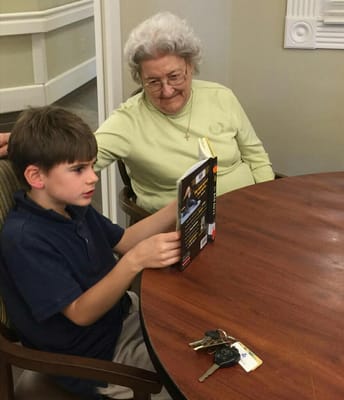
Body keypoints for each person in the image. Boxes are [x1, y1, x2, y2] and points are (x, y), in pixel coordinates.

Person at [0, 106, 180, 399]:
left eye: (92, 166)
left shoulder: (73, 206)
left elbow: (125, 240)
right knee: (186, 384)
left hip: (123, 316)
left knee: (196, 341)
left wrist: (176, 205)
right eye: (78, 169)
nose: (93, 177)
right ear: (36, 176)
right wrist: (134, 262)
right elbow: (80, 313)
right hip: (94, 357)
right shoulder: (24, 239)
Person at [94, 11, 275, 213]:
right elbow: (74, 162)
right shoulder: (128, 120)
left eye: (174, 76)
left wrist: (265, 205)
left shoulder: (221, 97)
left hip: (248, 211)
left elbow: (256, 158)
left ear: (190, 66)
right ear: (140, 79)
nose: (167, 90)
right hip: (179, 232)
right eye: (153, 82)